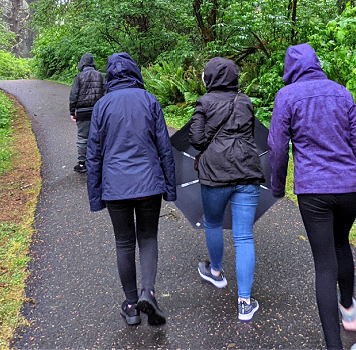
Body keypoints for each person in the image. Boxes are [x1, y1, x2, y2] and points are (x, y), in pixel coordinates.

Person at [268, 43, 356, 350]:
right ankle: (348, 310)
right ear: (316, 63)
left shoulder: (287, 96)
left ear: (291, 68)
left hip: (314, 190)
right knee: (342, 242)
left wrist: (278, 186)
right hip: (349, 188)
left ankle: (334, 346)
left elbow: (278, 148)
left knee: (324, 264)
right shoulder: (342, 93)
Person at [86, 52, 176, 327]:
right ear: (135, 73)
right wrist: (169, 188)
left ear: (110, 76)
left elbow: (93, 155)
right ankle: (148, 292)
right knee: (148, 238)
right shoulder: (149, 100)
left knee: (124, 242)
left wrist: (95, 196)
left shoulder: (102, 106)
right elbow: (164, 148)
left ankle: (130, 305)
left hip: (115, 187)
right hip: (148, 183)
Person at [189, 57, 267, 322]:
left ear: (209, 78)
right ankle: (245, 303)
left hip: (215, 174)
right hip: (247, 170)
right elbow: (251, 134)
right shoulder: (245, 102)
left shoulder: (204, 102)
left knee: (212, 223)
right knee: (244, 236)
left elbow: (197, 140)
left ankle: (217, 273)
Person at [69, 53, 104, 173]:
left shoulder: (78, 77)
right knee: (99, 136)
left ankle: (82, 163)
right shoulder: (100, 76)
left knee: (82, 137)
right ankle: (99, 161)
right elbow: (106, 93)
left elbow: (74, 95)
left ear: (82, 63)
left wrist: (72, 111)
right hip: (98, 112)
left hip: (83, 112)